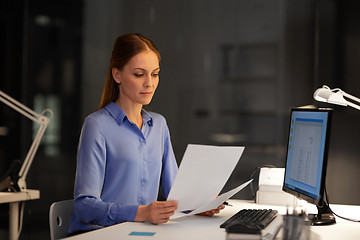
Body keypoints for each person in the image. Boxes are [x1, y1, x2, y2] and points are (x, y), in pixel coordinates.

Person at [68, 33, 222, 235]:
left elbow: (175, 194)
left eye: (155, 74)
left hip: (141, 233)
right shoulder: (96, 126)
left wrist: (199, 206)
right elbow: (84, 207)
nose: (149, 83)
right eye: (139, 74)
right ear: (117, 75)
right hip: (101, 234)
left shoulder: (159, 125)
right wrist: (142, 213)